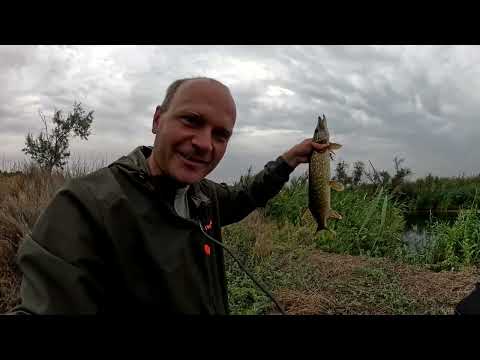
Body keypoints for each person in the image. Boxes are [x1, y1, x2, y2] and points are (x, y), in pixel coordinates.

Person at [9, 77, 329, 314]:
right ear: (157, 120)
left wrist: (289, 160)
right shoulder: (86, 205)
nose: (205, 143)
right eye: (192, 121)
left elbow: (247, 196)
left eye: (221, 134)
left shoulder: (203, 197)